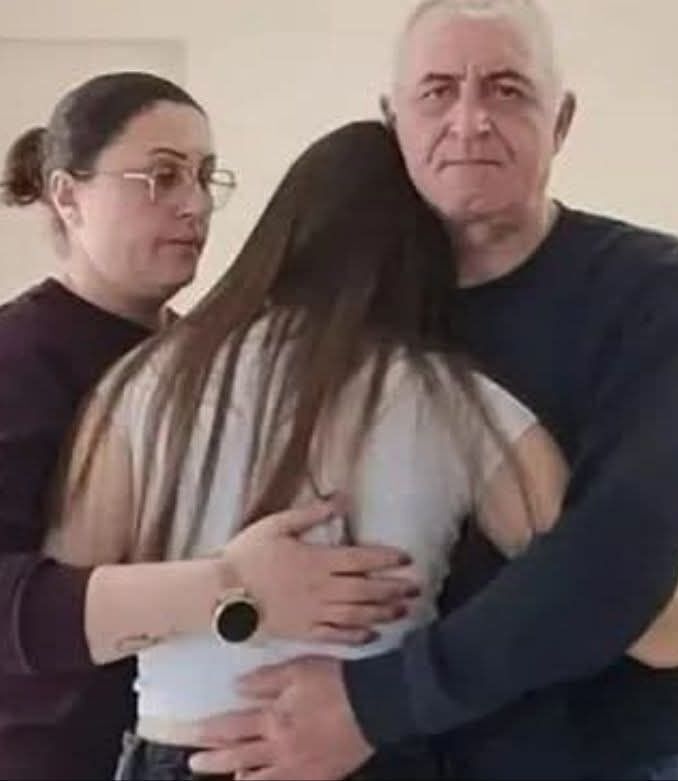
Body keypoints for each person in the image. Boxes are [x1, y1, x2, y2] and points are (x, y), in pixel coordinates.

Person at [187, 2, 678, 779]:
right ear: (392, 121)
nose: (469, 121)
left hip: (600, 754)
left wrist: (376, 703)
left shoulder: (656, 291)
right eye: (437, 91)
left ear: (560, 121)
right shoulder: (348, 308)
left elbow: (616, 556)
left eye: (506, 90)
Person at [44, 119, 579, 780]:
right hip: (369, 749)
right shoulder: (462, 402)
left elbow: (66, 611)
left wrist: (217, 593)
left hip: (184, 749)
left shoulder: (145, 382)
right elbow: (589, 593)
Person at [0, 73, 411, 780]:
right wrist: (232, 586)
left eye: (203, 176)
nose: (193, 204)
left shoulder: (205, 362)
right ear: (67, 195)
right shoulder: (16, 357)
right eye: (160, 176)